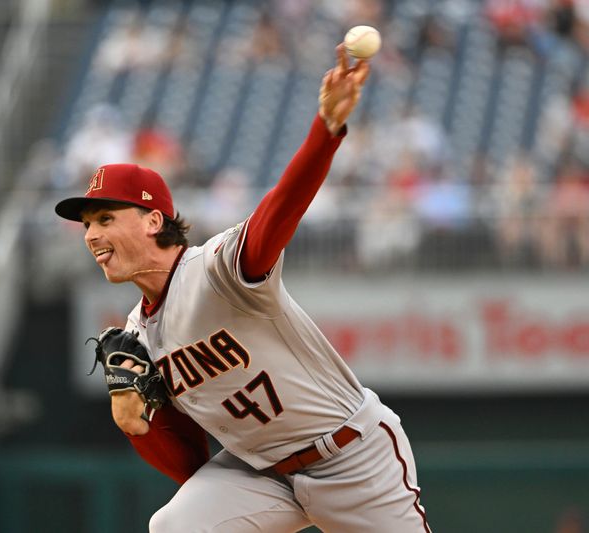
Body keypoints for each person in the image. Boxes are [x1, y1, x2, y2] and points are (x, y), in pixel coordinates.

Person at [55, 44, 431, 533]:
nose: (91, 235)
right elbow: (189, 465)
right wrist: (138, 423)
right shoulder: (137, 335)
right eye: (87, 224)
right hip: (260, 474)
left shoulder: (216, 271)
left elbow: (281, 209)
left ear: (153, 221)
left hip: (351, 456)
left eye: (105, 218)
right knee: (172, 527)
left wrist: (326, 131)